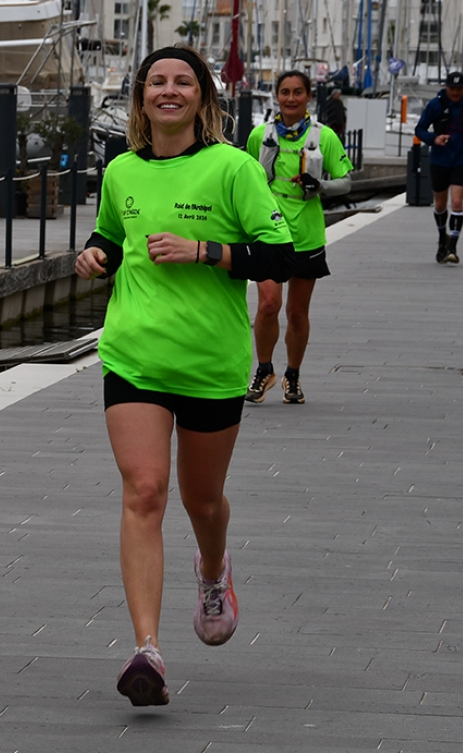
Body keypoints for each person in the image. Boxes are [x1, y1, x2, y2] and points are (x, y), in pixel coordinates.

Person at [74, 46, 295, 707]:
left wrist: (205, 251)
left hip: (210, 363)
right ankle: (147, 650)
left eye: (182, 82)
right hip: (133, 355)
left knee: (201, 501)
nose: (168, 91)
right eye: (156, 82)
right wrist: (95, 254)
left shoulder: (230, 167)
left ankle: (211, 567)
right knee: (144, 491)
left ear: (202, 98)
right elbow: (112, 235)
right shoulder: (120, 171)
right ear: (141, 98)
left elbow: (279, 256)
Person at [244, 71, 353, 405]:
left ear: (308, 97)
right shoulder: (259, 136)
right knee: (267, 305)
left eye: (298, 92)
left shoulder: (325, 137)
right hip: (270, 232)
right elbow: (246, 180)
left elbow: (346, 181)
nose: (291, 99)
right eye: (285, 92)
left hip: (306, 234)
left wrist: (319, 186)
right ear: (276, 96)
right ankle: (264, 369)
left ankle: (293, 374)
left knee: (296, 313)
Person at [414, 71, 463, 264]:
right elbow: (420, 129)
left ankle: (453, 246)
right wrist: (434, 139)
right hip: (439, 159)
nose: (455, 92)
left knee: (456, 202)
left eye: (459, 89)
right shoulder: (435, 105)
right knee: (439, 204)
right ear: (446, 87)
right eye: (452, 88)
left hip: (461, 159)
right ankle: (441, 238)